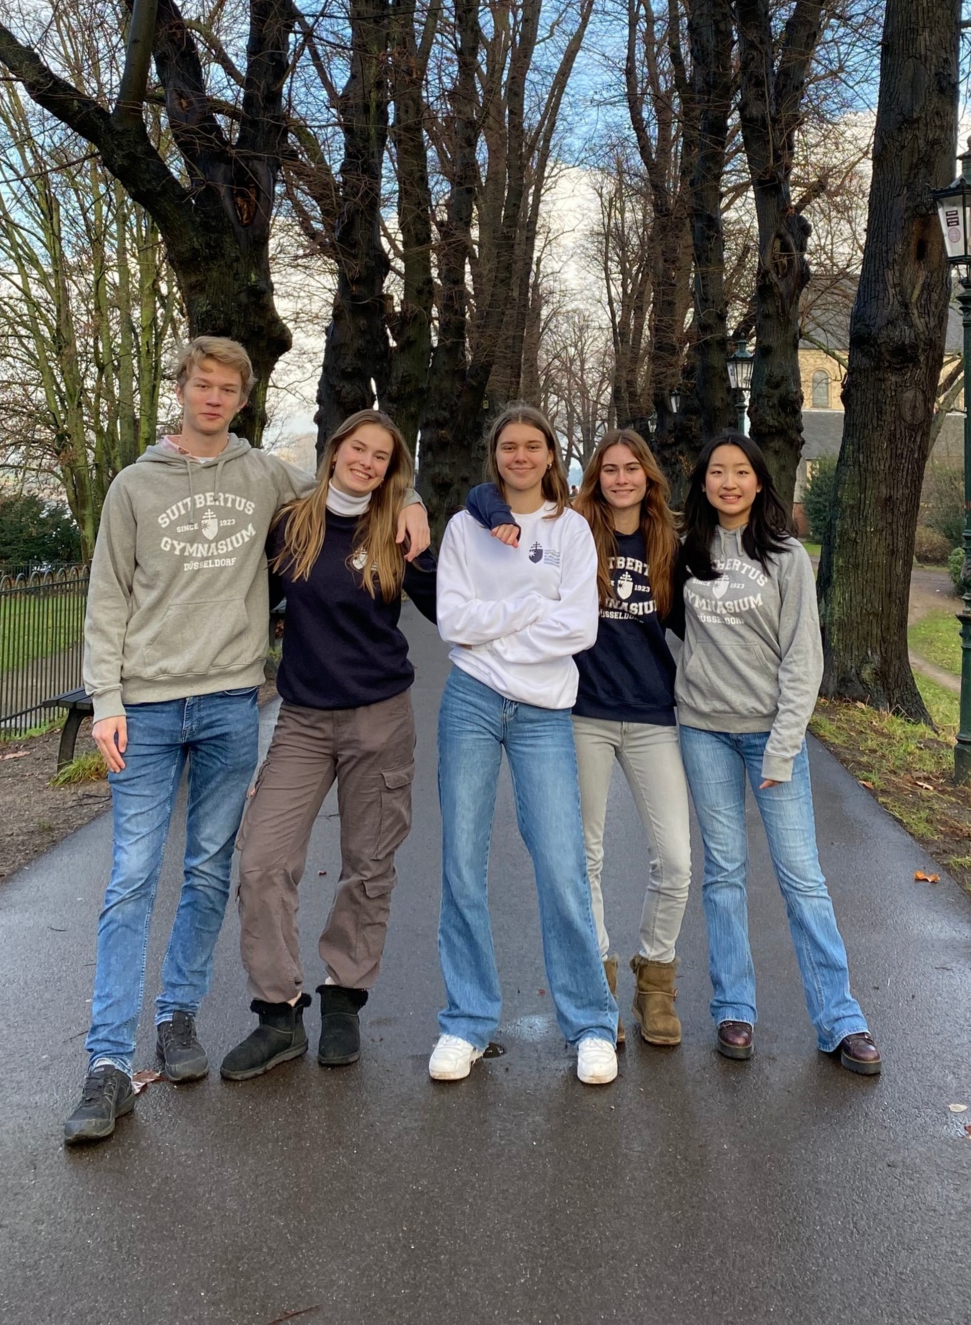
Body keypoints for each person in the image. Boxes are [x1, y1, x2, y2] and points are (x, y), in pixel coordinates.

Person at [64, 340, 429, 1145]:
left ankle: (287, 1006)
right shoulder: (150, 488)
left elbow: (371, 494)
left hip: (267, 704)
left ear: (242, 399)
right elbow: (108, 595)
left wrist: (415, 503)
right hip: (196, 707)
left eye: (229, 388)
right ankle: (172, 1040)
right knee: (194, 870)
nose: (215, 397)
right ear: (183, 388)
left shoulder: (274, 479)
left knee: (267, 868)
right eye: (204, 384)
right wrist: (107, 699)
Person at [220, 410, 436, 1079]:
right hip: (304, 723)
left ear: (391, 470)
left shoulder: (395, 529)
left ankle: (344, 997)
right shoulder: (292, 525)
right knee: (262, 861)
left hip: (380, 718)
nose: (366, 462)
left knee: (368, 865)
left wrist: (421, 513)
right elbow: (243, 596)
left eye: (381, 457)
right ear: (335, 450)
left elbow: (450, 606)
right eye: (358, 449)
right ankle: (278, 1013)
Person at [468, 430, 690, 1048]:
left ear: (648, 476)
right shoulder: (574, 528)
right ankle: (599, 986)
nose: (621, 479)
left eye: (632, 468)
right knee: (584, 858)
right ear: (595, 477)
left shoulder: (667, 541)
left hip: (651, 714)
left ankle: (656, 980)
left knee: (675, 859)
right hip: (583, 712)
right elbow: (488, 495)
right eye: (610, 469)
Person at [674, 430, 881, 1074]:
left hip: (771, 734)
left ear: (759, 481)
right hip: (703, 730)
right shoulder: (687, 551)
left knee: (802, 878)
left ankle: (840, 1019)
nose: (729, 482)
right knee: (724, 873)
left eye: (741, 471)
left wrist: (784, 746)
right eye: (717, 472)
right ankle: (733, 1009)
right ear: (703, 482)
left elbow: (803, 658)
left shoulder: (786, 556)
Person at [429, 405, 619, 1088]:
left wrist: (496, 637)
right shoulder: (464, 528)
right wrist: (530, 610)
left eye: (532, 445)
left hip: (544, 711)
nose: (520, 456)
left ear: (550, 455)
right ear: (495, 456)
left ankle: (591, 1025)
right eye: (509, 446)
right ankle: (466, 1021)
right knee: (461, 861)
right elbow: (452, 620)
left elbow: (581, 627)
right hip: (471, 702)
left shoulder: (571, 530)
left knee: (563, 865)